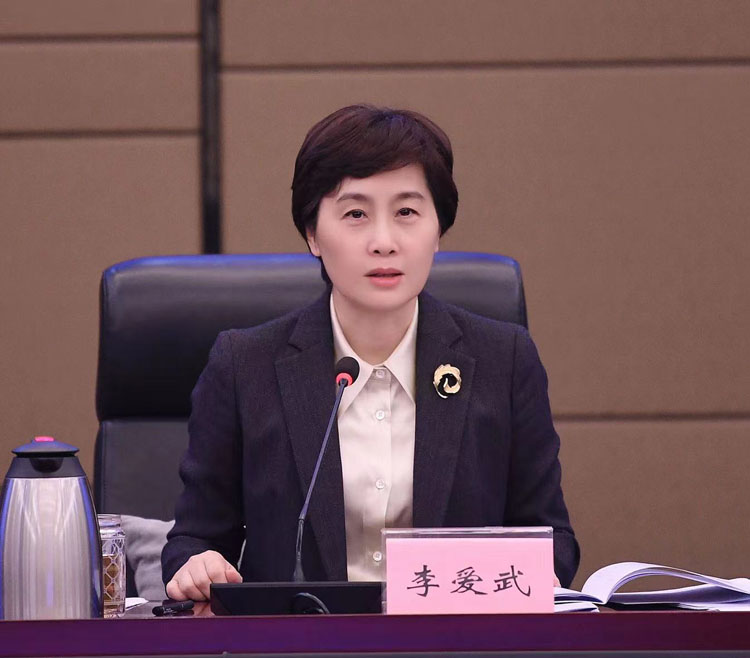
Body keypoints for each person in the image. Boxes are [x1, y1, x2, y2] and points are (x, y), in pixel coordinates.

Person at [162, 104, 579, 601]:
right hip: (299, 641)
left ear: (438, 230)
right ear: (313, 234)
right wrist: (198, 564)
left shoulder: (503, 361)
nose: (384, 242)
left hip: (456, 640)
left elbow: (552, 540)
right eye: (356, 214)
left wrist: (532, 574)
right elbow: (194, 541)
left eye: (406, 212)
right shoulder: (244, 366)